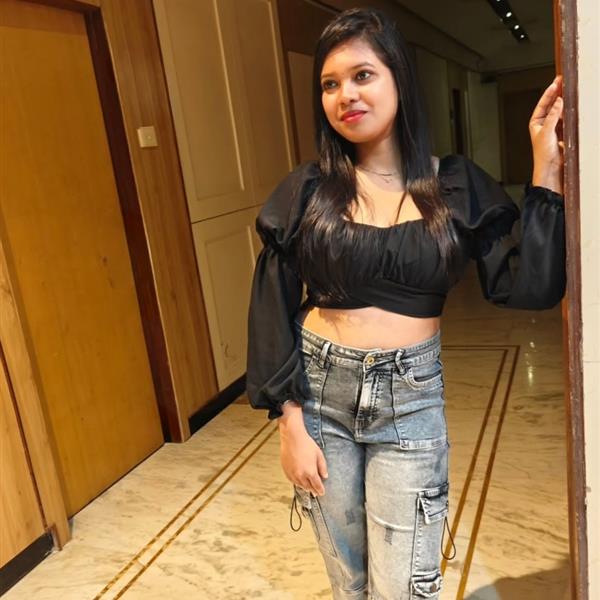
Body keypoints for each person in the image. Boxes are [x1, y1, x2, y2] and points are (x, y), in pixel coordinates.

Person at [246, 7, 565, 600]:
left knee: (404, 589)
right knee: (350, 584)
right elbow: (272, 303)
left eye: (363, 75)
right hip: (319, 399)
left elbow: (528, 286)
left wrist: (544, 169)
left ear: (399, 78)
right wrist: (288, 422)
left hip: (409, 405)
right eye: (330, 83)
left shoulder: (454, 186)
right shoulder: (308, 192)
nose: (346, 95)